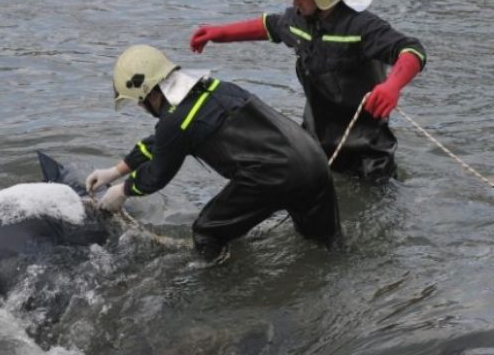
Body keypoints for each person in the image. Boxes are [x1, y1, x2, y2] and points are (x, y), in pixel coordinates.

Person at [190, 0, 427, 182]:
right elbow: (270, 26)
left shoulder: (362, 27)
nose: (295, 2)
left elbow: (411, 50)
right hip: (315, 142)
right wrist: (219, 33)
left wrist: (392, 86)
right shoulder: (298, 21)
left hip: (367, 150)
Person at [86, 44, 341, 261]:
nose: (140, 106)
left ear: (150, 92)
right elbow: (163, 142)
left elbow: (157, 176)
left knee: (207, 232)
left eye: (139, 100)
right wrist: (116, 171)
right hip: (313, 160)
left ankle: (226, 296)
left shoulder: (176, 121)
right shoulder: (215, 89)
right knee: (327, 248)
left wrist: (123, 191)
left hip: (275, 175)